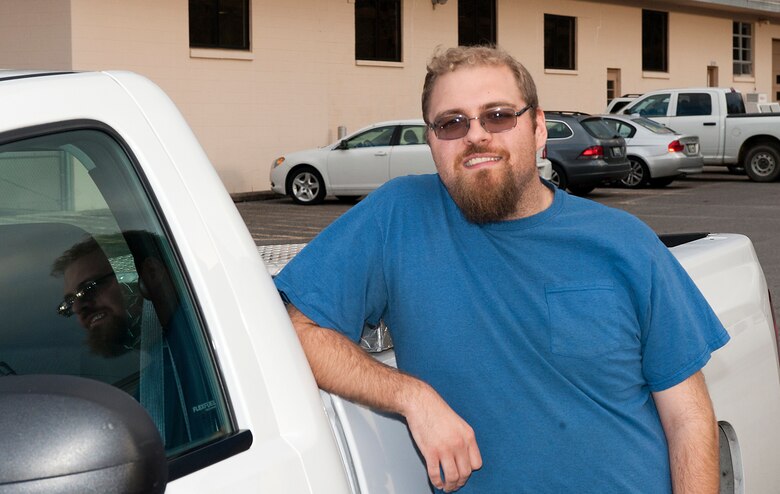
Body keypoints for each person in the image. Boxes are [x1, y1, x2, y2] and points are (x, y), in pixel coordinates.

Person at [274, 45, 729, 493]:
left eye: (498, 115)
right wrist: (412, 397)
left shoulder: (624, 242)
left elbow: (687, 417)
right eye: (451, 123)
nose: (476, 135)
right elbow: (296, 329)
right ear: (432, 141)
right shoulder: (397, 218)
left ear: (537, 128)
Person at [53, 231, 220, 449]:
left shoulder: (206, 353)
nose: (78, 308)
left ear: (150, 275)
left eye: (89, 288)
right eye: (69, 303)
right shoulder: (160, 365)